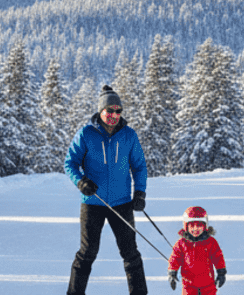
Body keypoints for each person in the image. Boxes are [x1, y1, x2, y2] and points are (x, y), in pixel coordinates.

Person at [65, 85, 149, 295]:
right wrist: (81, 181)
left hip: (122, 202)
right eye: (109, 111)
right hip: (93, 203)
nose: (114, 115)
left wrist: (139, 192)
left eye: (118, 111)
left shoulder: (129, 135)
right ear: (100, 111)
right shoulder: (86, 133)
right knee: (87, 253)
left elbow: (139, 166)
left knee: (131, 253)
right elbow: (70, 163)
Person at [168, 205, 227, 294]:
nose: (195, 228)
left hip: (208, 284)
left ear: (205, 226)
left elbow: (218, 257)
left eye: (199, 225)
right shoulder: (181, 243)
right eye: (192, 225)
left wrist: (221, 272)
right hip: (188, 285)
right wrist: (172, 273)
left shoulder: (210, 242)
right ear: (186, 226)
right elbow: (175, 258)